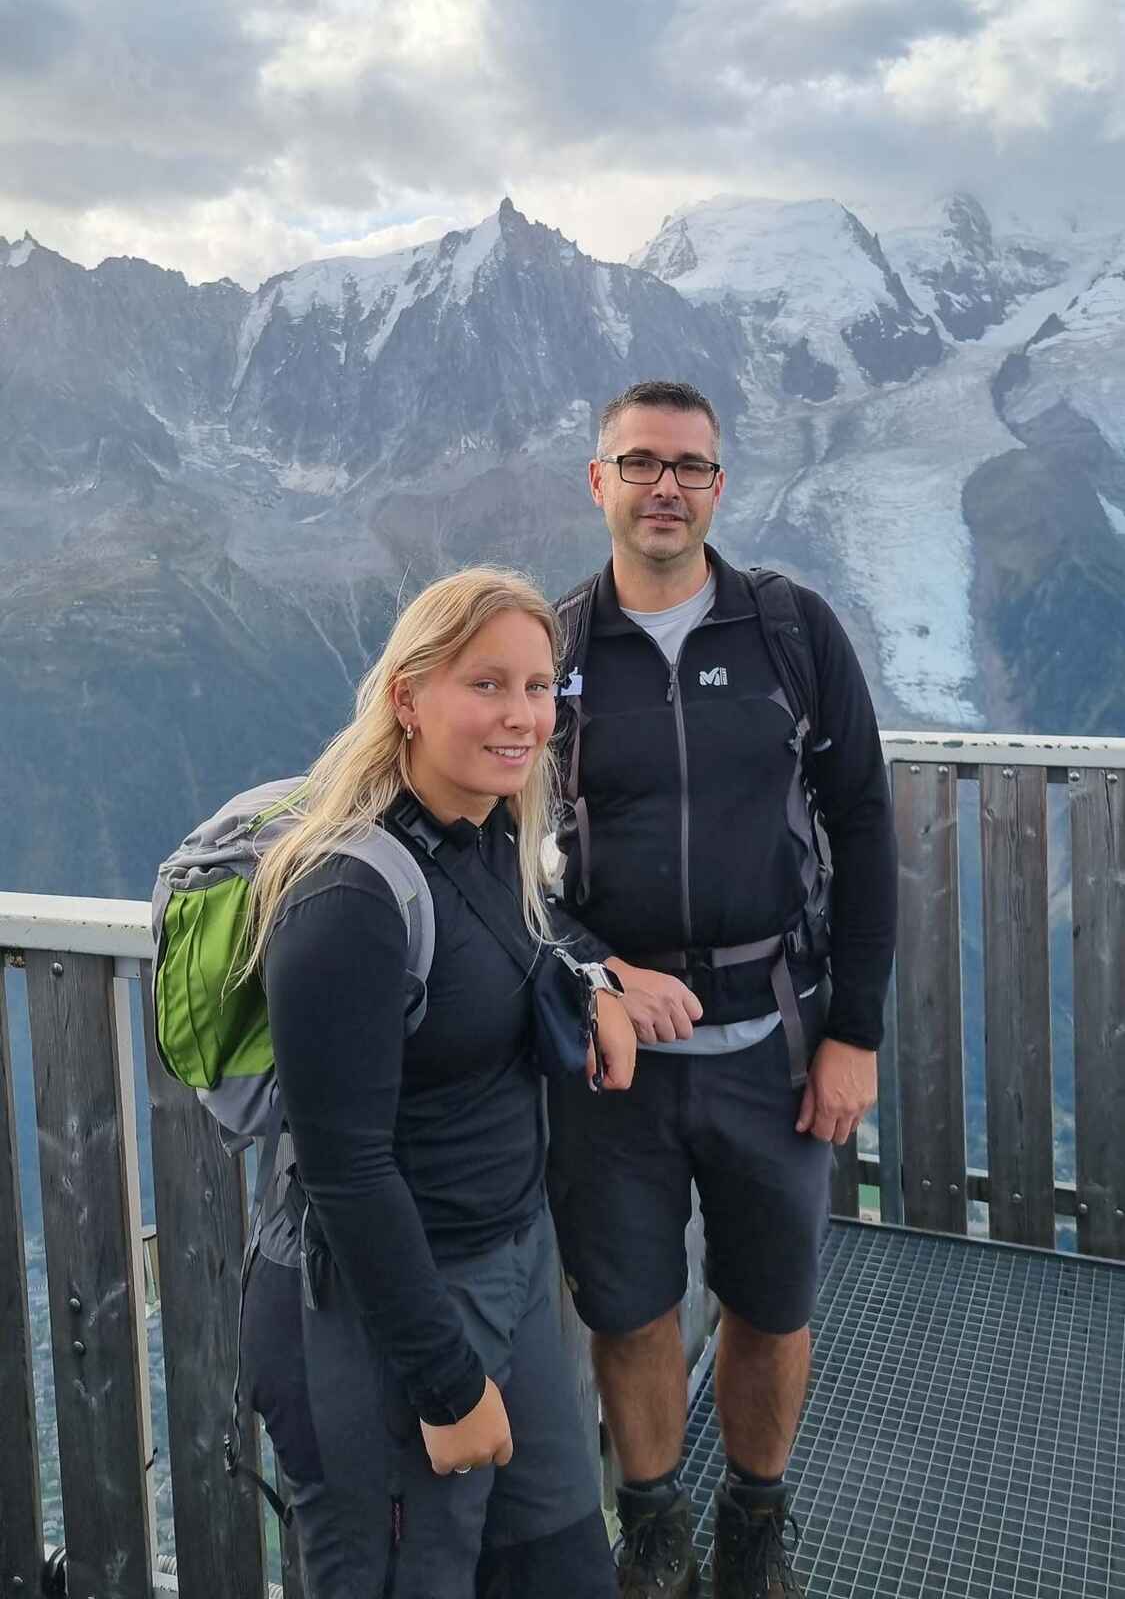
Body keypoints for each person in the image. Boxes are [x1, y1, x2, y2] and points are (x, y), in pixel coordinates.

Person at [548, 380, 898, 1599]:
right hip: (615, 1062)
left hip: (780, 1044)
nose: (666, 485)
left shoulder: (790, 631)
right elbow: (504, 859)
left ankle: (754, 1524)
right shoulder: (552, 650)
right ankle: (654, 1529)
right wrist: (600, 968)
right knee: (630, 1304)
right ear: (599, 481)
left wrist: (855, 1029)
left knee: (770, 1303)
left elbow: (862, 819)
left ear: (719, 486)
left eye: (690, 465)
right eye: (640, 461)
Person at [237, 567, 635, 1599]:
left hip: (507, 1263)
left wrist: (593, 992)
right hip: (388, 1318)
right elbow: (347, 1168)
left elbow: (502, 957)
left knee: (562, 1569)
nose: (522, 715)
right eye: (487, 683)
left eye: (541, 686)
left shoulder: (487, 832)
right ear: (407, 696)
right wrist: (449, 1381)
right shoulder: (346, 898)